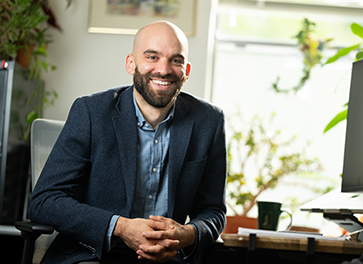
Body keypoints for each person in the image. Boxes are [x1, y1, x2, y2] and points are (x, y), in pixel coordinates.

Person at [28, 20, 227, 264]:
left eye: (176, 60)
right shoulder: (91, 112)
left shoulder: (209, 121)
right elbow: (45, 201)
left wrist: (188, 234)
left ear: (186, 70)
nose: (164, 69)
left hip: (166, 259)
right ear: (131, 64)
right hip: (93, 255)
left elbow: (213, 211)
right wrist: (120, 227)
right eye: (152, 57)